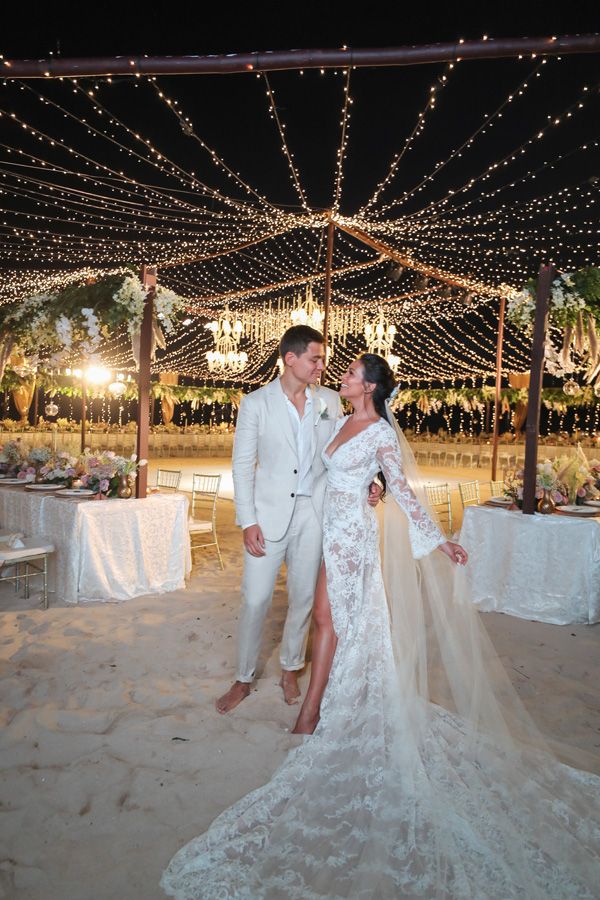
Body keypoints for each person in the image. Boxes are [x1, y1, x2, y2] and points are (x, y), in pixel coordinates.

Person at [163, 354, 600, 898]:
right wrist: (367, 490)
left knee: (335, 620)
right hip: (330, 530)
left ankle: (312, 711)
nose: (339, 378)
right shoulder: (336, 416)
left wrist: (437, 537)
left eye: (348, 374)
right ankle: (314, 705)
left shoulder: (381, 433)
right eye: (338, 371)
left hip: (352, 541)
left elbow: (403, 489)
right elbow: (329, 468)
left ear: (368, 386)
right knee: (327, 619)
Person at [216, 325, 378, 714]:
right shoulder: (256, 403)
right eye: (314, 359)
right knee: (255, 599)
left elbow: (344, 449)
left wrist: (372, 482)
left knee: (304, 598)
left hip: (315, 512)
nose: (322, 366)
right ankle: (242, 678)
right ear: (291, 359)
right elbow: (242, 465)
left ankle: (291, 667)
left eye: (321, 359)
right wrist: (247, 520)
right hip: (267, 515)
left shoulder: (328, 402)